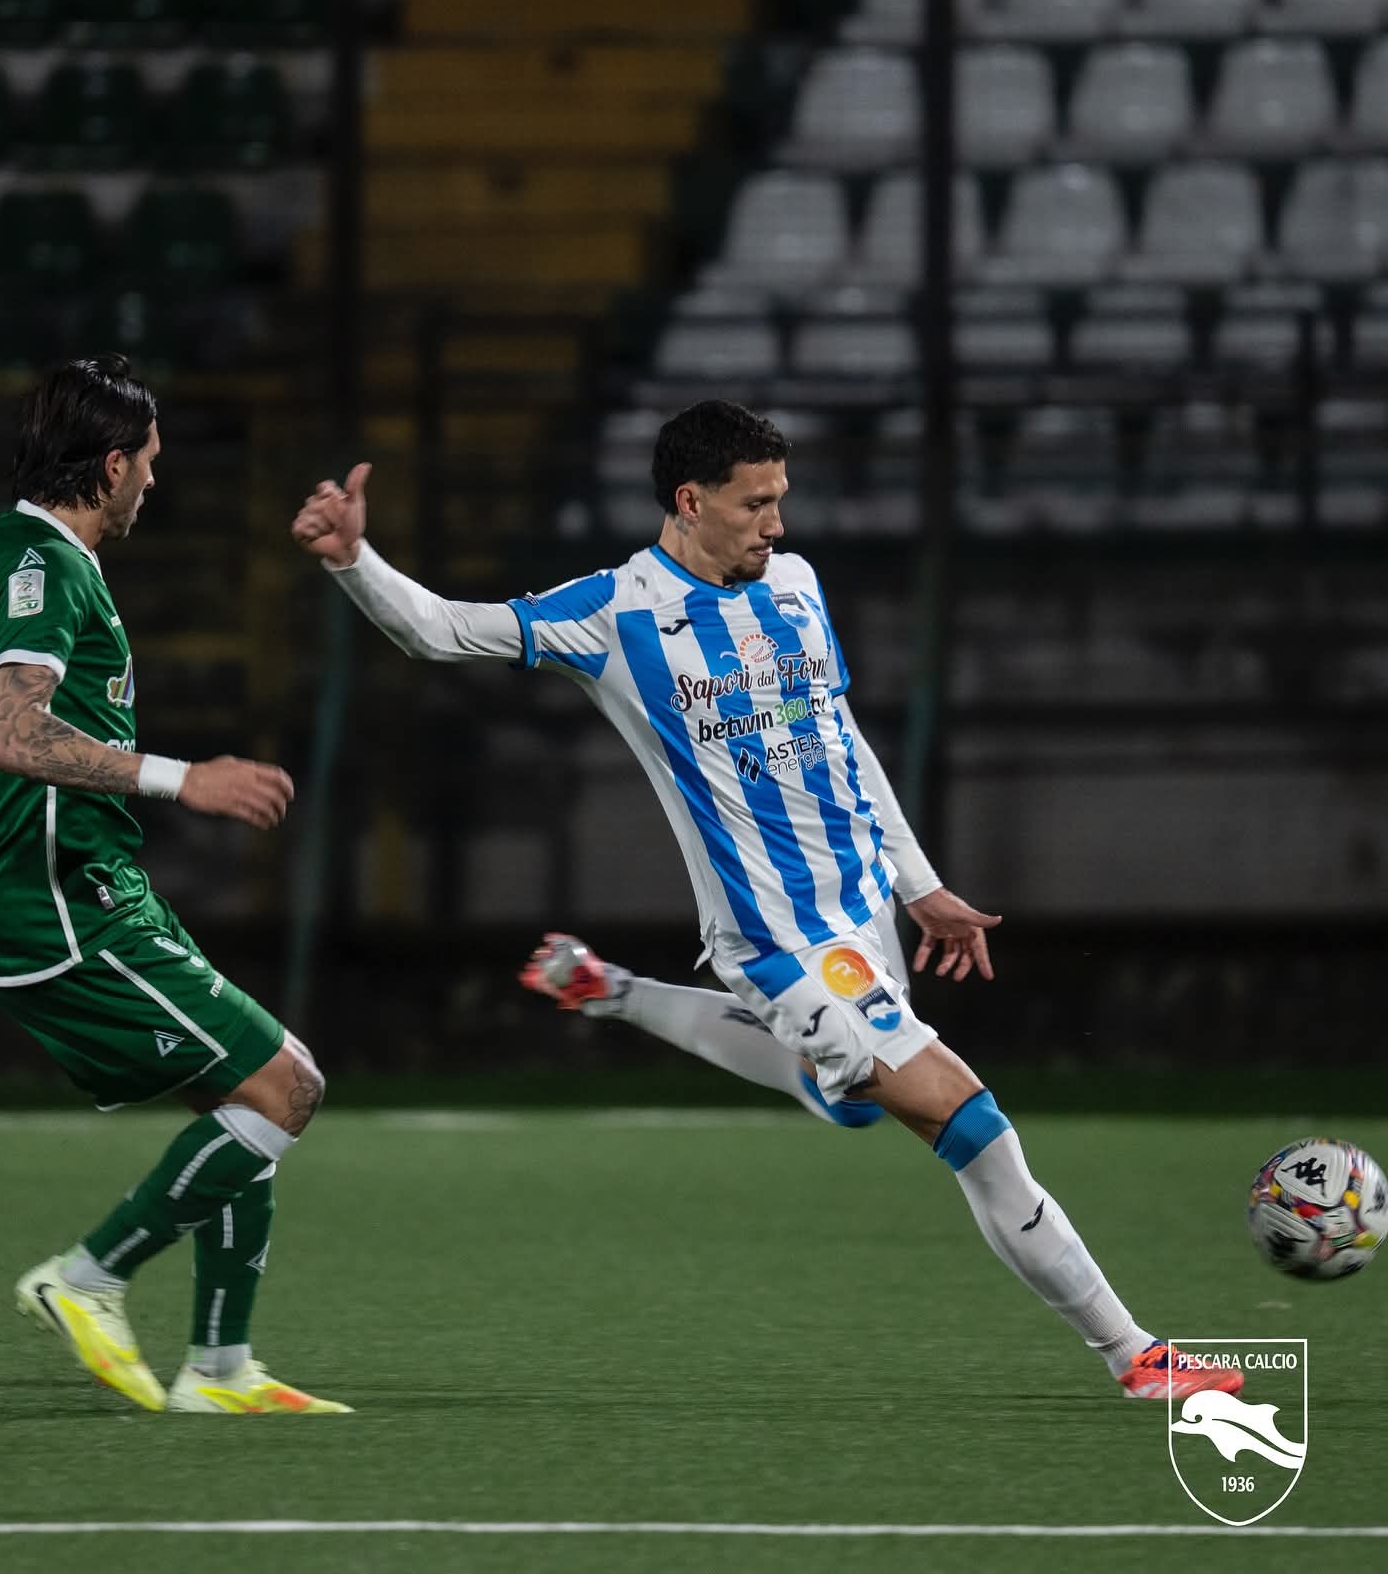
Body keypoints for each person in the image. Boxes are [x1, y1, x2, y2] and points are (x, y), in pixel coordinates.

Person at [292, 398, 1240, 1402]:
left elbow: (840, 737)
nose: (776, 524)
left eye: (781, 500)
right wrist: (354, 561)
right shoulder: (614, 613)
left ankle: (617, 993)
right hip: (775, 938)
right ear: (690, 501)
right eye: (756, 504)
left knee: (848, 1104)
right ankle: (1136, 1356)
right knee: (974, 1126)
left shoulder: (794, 585)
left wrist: (919, 886)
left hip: (861, 911)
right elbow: (441, 630)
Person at [0, 357, 348, 1416]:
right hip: (65, 902)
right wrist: (187, 779)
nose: (155, 482)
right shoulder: (43, 565)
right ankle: (87, 1279)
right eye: (151, 462)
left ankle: (221, 1369)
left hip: (57, 888)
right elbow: (12, 733)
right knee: (289, 1088)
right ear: (113, 464)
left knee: (246, 1095)